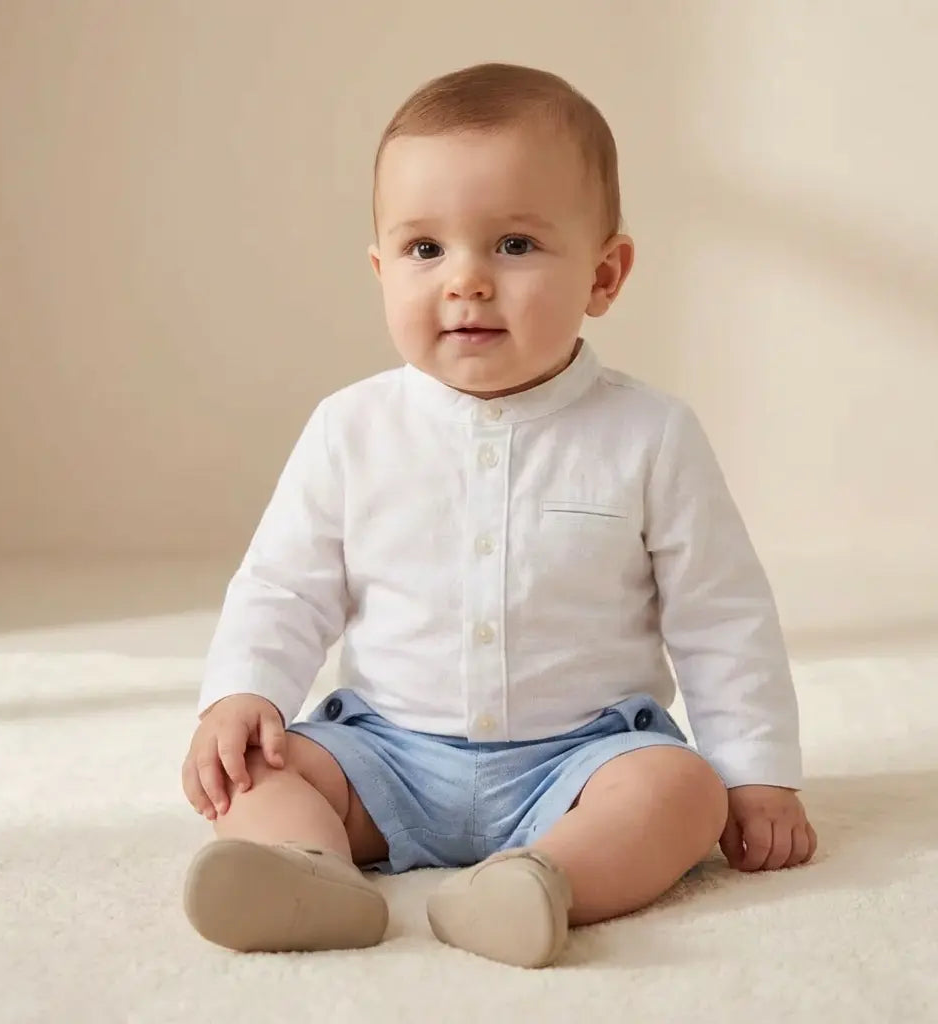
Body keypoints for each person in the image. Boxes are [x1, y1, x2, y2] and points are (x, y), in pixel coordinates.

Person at [180, 62, 817, 968]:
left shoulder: (650, 434)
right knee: (250, 774)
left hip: (582, 765)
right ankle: (306, 871)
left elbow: (721, 614)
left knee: (682, 792)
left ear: (604, 274)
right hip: (383, 755)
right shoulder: (350, 428)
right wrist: (242, 694)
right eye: (424, 250)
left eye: (514, 245)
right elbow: (284, 586)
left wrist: (756, 774)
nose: (467, 281)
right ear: (380, 271)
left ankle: (542, 882)